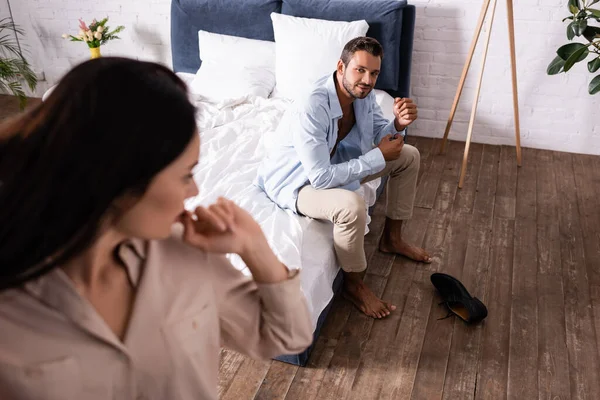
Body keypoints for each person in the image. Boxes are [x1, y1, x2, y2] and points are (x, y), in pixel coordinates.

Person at [0, 57, 313, 400]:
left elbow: (288, 336)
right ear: (118, 180)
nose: (195, 191)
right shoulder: (11, 308)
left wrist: (254, 246)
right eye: (185, 175)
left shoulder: (185, 252)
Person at [256, 37, 431, 319]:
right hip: (299, 183)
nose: (367, 80)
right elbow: (321, 178)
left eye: (374, 73)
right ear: (341, 66)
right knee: (351, 206)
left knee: (408, 155)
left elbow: (377, 134)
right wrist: (376, 156)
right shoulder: (312, 106)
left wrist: (397, 124)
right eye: (359, 70)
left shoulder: (363, 95)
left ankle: (392, 239)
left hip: (335, 164)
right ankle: (354, 285)